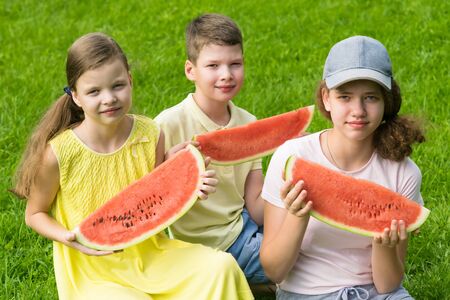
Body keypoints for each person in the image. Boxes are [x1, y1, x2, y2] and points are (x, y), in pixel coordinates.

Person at [12, 32, 254, 300]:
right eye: (94, 91)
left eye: (117, 86)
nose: (109, 98)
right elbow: (34, 214)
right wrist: (67, 236)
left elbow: (152, 199)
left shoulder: (150, 134)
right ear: (76, 97)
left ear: (130, 80)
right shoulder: (59, 153)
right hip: (94, 271)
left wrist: (182, 178)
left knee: (219, 267)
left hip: (151, 256)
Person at [260, 36, 425, 299]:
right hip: (306, 293)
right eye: (345, 97)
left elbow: (387, 285)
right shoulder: (292, 157)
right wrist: (297, 216)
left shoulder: (403, 173)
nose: (358, 110)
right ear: (326, 98)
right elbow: (274, 271)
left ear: (386, 101)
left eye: (370, 97)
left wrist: (382, 246)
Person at [155, 13, 269, 285]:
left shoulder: (249, 124)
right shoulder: (168, 125)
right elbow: (154, 202)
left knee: (312, 237)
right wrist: (178, 178)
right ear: (190, 70)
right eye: (213, 65)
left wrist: (288, 195)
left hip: (245, 224)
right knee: (303, 261)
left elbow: (256, 205)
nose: (226, 75)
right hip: (208, 243)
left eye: (235, 64)